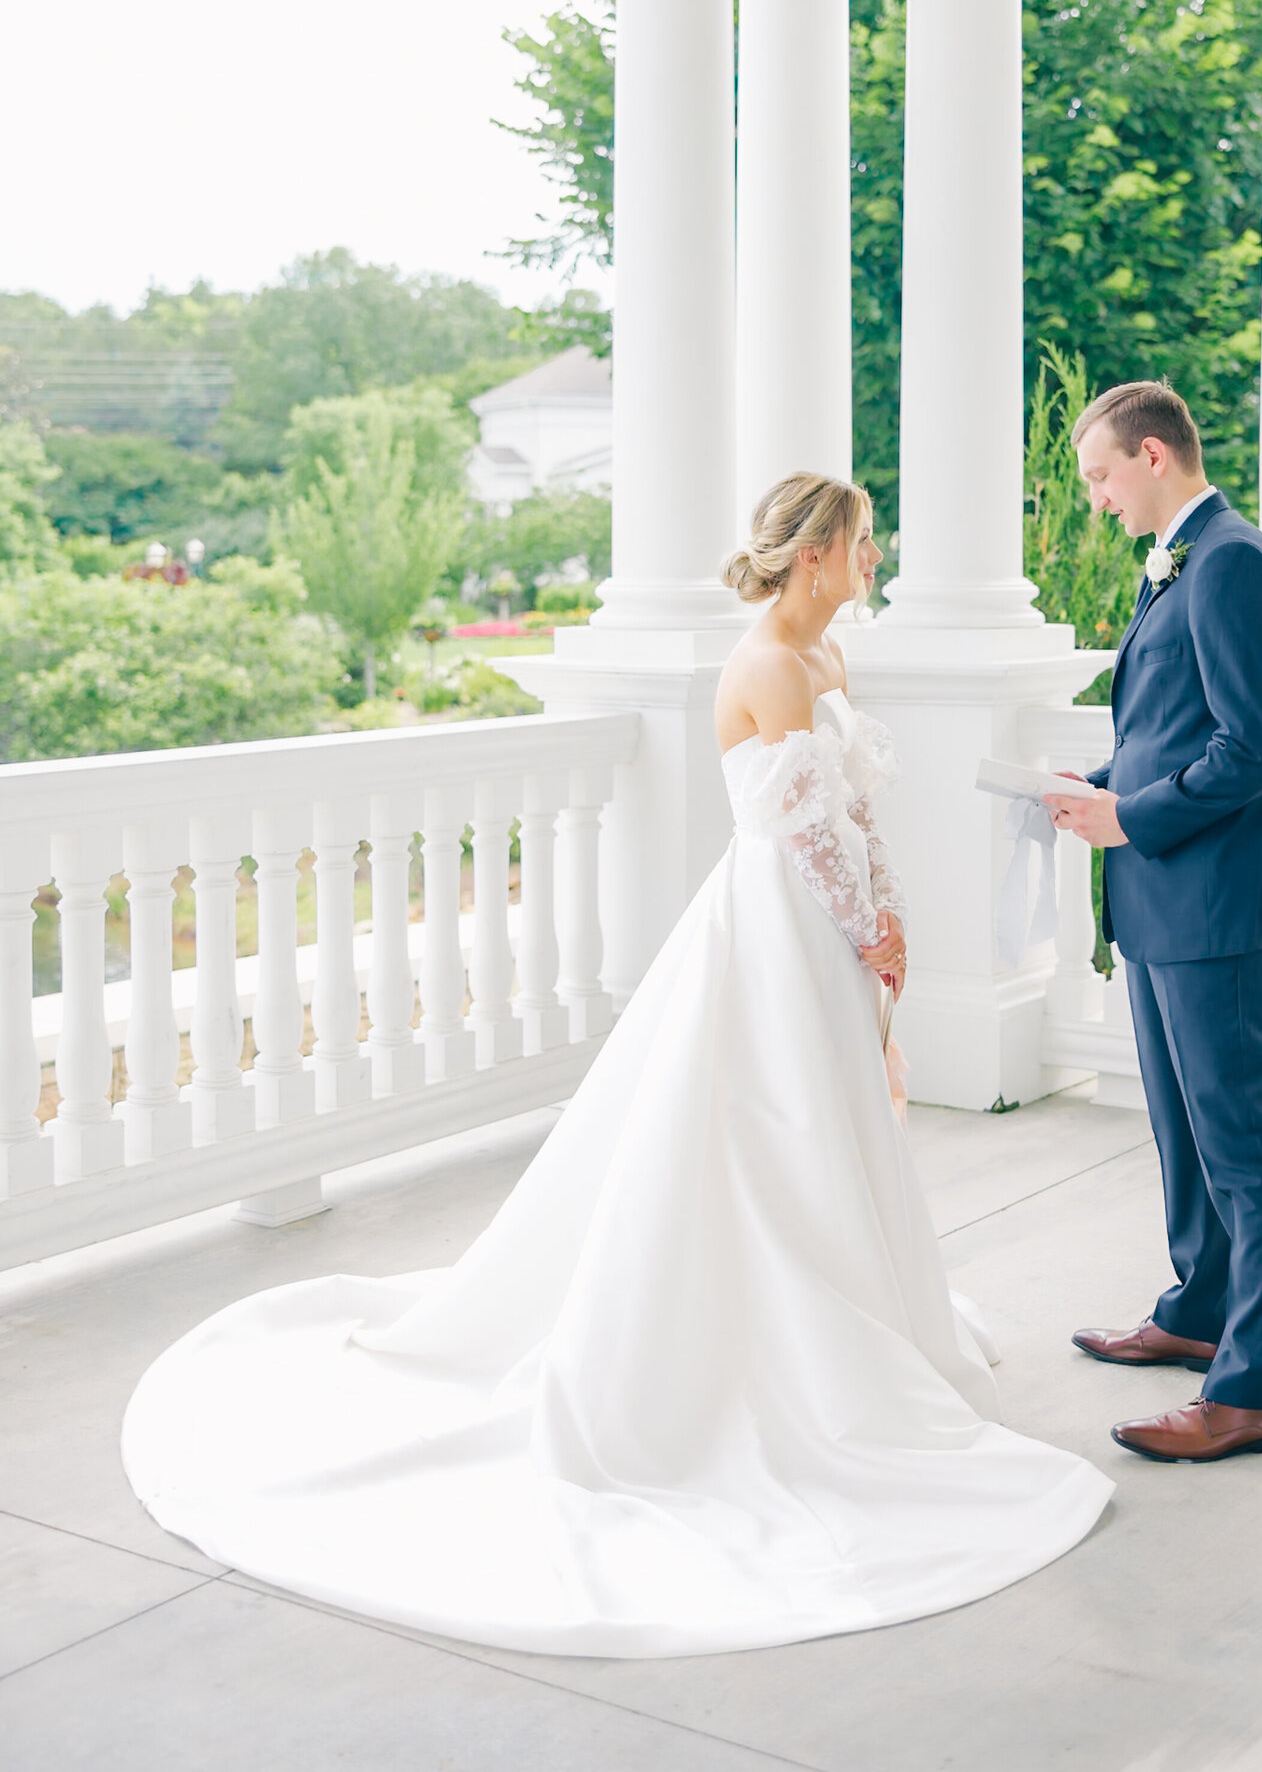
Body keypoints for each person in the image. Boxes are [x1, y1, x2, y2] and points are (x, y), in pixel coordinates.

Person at [123, 471, 1112, 1657]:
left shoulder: (832, 662)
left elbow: (855, 821)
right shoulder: (767, 668)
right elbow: (802, 834)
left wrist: (888, 933)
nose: (872, 561)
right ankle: (765, 1342)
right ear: (814, 557)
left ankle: (859, 1303)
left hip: (829, 923)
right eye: (861, 545)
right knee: (765, 1127)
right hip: (778, 922)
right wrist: (873, 930)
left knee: (833, 1119)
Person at [1047, 384, 1262, 1465]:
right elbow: (1175, 727)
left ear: (1152, 455)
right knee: (1184, 1133)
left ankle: (1254, 1389)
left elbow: (1256, 748)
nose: (1098, 502)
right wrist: (1098, 785)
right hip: (1163, 898)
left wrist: (1129, 815)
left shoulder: (1234, 561)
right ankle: (1197, 1310)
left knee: (1245, 1147)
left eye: (1102, 478)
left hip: (1222, 908)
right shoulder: (1177, 560)